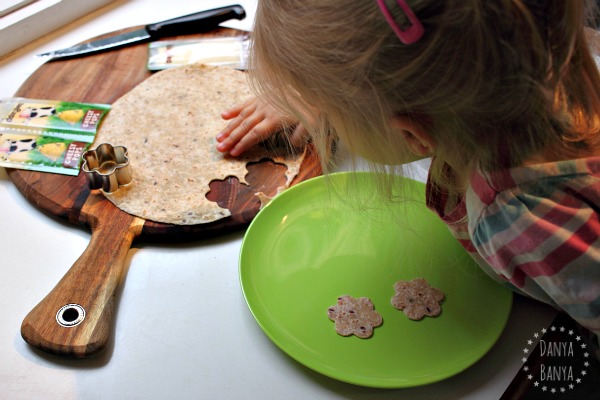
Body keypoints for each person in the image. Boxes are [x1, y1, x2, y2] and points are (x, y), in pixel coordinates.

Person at [216, 1, 600, 352]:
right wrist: (335, 95)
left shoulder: (524, 219)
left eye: (333, 115)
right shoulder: (538, 49)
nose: (323, 121)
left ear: (413, 135)